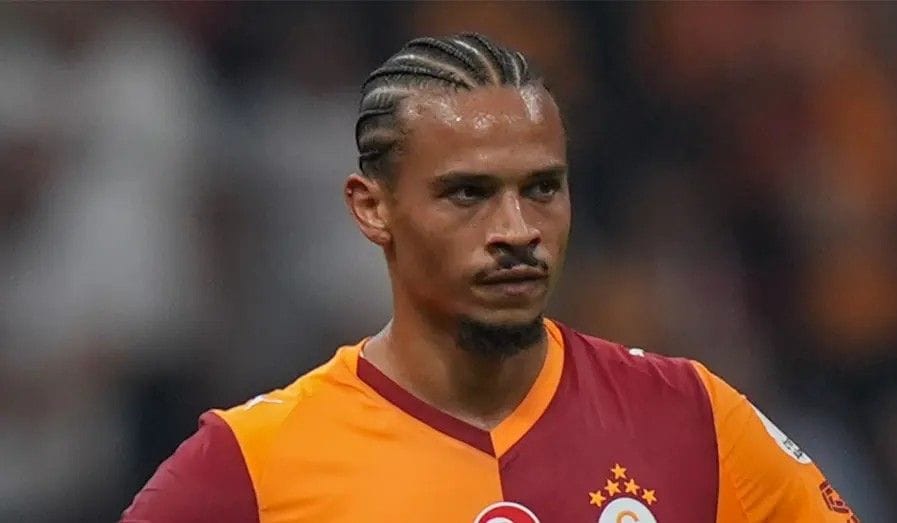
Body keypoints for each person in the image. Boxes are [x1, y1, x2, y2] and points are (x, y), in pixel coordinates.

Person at [121, 33, 857, 523]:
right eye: (468, 193)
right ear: (372, 208)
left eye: (542, 188)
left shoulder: (691, 417)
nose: (517, 229)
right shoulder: (253, 463)